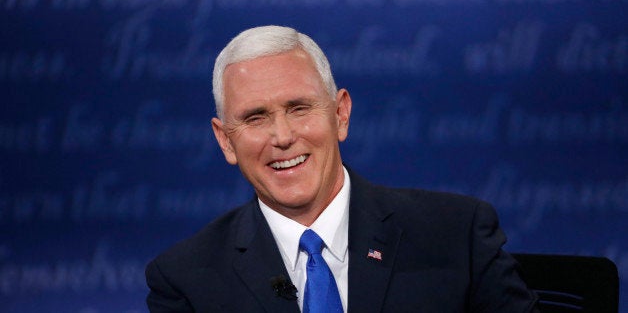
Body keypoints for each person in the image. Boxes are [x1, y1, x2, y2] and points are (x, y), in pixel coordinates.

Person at [145, 25, 539, 312]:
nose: (282, 137)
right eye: (255, 118)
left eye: (299, 108)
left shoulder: (457, 234)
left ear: (340, 114)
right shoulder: (186, 280)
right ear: (225, 141)